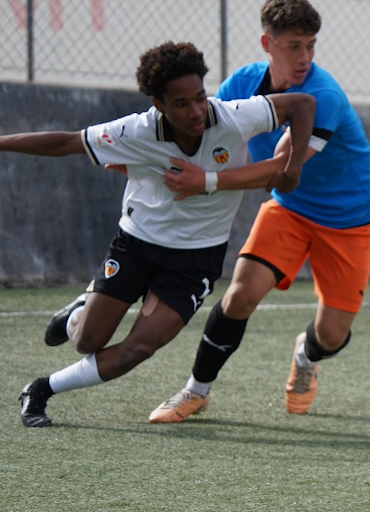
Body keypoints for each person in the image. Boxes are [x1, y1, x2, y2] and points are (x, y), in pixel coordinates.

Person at [5, 41, 316, 427]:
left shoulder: (234, 116)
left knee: (139, 348)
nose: (197, 111)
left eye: (200, 98)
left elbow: (302, 106)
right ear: (159, 105)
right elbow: (67, 141)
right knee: (87, 341)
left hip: (195, 259)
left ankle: (40, 389)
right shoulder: (135, 130)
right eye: (181, 103)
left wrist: (295, 167)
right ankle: (79, 311)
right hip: (136, 244)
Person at [148, 0, 370, 423]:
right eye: (293, 46)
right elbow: (200, 129)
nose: (304, 57)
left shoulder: (322, 95)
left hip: (351, 220)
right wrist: (138, 153)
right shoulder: (242, 83)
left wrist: (204, 182)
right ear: (267, 44)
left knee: (331, 335)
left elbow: (279, 168)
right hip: (290, 211)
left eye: (310, 45)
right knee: (240, 295)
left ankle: (305, 355)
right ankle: (195, 391)